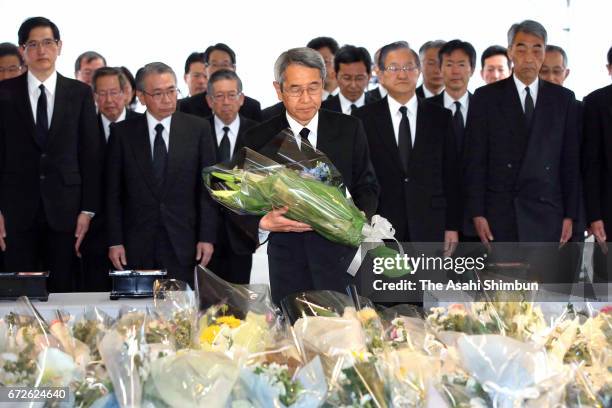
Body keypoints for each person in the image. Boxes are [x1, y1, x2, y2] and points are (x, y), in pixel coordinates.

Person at [245, 47, 379, 304]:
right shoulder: (259, 137)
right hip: (289, 263)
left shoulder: (349, 128)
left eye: (314, 87)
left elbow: (368, 185)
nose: (306, 98)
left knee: (346, 335)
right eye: (295, 89)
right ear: (278, 89)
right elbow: (244, 203)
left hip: (343, 259)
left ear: (324, 85)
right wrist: (263, 223)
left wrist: (361, 216)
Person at [0, 17, 102, 291]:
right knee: (21, 294)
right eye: (32, 44)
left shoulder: (79, 93)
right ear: (23, 50)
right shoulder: (4, 93)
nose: (41, 50)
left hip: (67, 211)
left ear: (59, 46)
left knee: (64, 290)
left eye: (47, 43)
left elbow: (90, 155)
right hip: (17, 212)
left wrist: (87, 210)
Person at [464, 20, 580, 246]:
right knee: (504, 281)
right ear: (509, 51)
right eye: (521, 48)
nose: (529, 56)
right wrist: (477, 212)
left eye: (537, 48)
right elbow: (476, 160)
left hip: (548, 211)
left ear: (544, 52)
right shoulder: (486, 97)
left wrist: (570, 214)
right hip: (501, 212)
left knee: (547, 281)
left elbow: (570, 162)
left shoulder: (563, 99)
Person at [105, 62, 217, 286]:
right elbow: (113, 193)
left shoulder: (198, 129)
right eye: (158, 93)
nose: (167, 99)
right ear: (142, 96)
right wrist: (115, 241)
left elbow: (207, 190)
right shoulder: (122, 133)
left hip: (184, 239)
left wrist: (207, 237)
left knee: (181, 313)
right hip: (136, 243)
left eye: (171, 91)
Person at [352, 41, 460, 245]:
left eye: (409, 67)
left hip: (431, 224)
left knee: (429, 277)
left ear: (418, 71)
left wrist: (452, 226)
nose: (402, 74)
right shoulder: (363, 119)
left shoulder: (441, 117)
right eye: (393, 68)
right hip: (381, 226)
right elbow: (358, 175)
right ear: (380, 74)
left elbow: (451, 175)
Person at [79, 67, 141, 291]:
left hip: (136, 231)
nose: (109, 100)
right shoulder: (83, 128)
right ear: (94, 96)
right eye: (102, 94)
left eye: (114, 92)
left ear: (126, 93)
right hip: (95, 234)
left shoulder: (144, 126)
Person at [204, 69, 259, 284]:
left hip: (242, 232)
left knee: (239, 300)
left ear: (241, 98)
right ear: (209, 101)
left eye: (232, 95)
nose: (226, 101)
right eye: (219, 96)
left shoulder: (256, 133)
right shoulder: (197, 130)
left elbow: (258, 182)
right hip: (204, 234)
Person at [178, 43, 261, 122]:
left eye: (225, 64)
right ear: (206, 69)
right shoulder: (186, 107)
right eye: (214, 65)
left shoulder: (252, 107)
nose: (220, 69)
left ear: (234, 68)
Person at [427, 39, 476, 155]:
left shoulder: (483, 107)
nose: (455, 71)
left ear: (472, 70)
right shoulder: (426, 108)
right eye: (449, 64)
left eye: (461, 64)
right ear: (440, 69)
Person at [321, 45, 373, 115]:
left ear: (369, 77)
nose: (353, 85)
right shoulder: (322, 110)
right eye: (347, 78)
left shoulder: (382, 109)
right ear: (336, 76)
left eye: (359, 78)